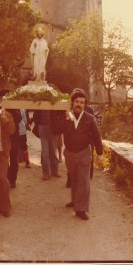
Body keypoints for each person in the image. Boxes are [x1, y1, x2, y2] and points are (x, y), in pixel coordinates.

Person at [59, 88, 103, 220]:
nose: (79, 104)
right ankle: (75, 201)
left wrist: (100, 153)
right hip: (70, 153)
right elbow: (57, 130)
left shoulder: (89, 118)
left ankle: (81, 209)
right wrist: (66, 120)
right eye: (77, 101)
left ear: (85, 104)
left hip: (84, 152)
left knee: (83, 180)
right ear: (72, 103)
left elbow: (96, 136)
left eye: (82, 102)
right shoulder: (66, 116)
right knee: (74, 179)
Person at [31, 110, 61, 181]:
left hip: (53, 129)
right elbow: (35, 115)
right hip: (43, 127)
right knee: (45, 153)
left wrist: (58, 125)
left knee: (53, 151)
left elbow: (61, 114)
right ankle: (46, 173)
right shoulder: (41, 102)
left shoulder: (56, 102)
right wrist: (38, 124)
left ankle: (55, 171)